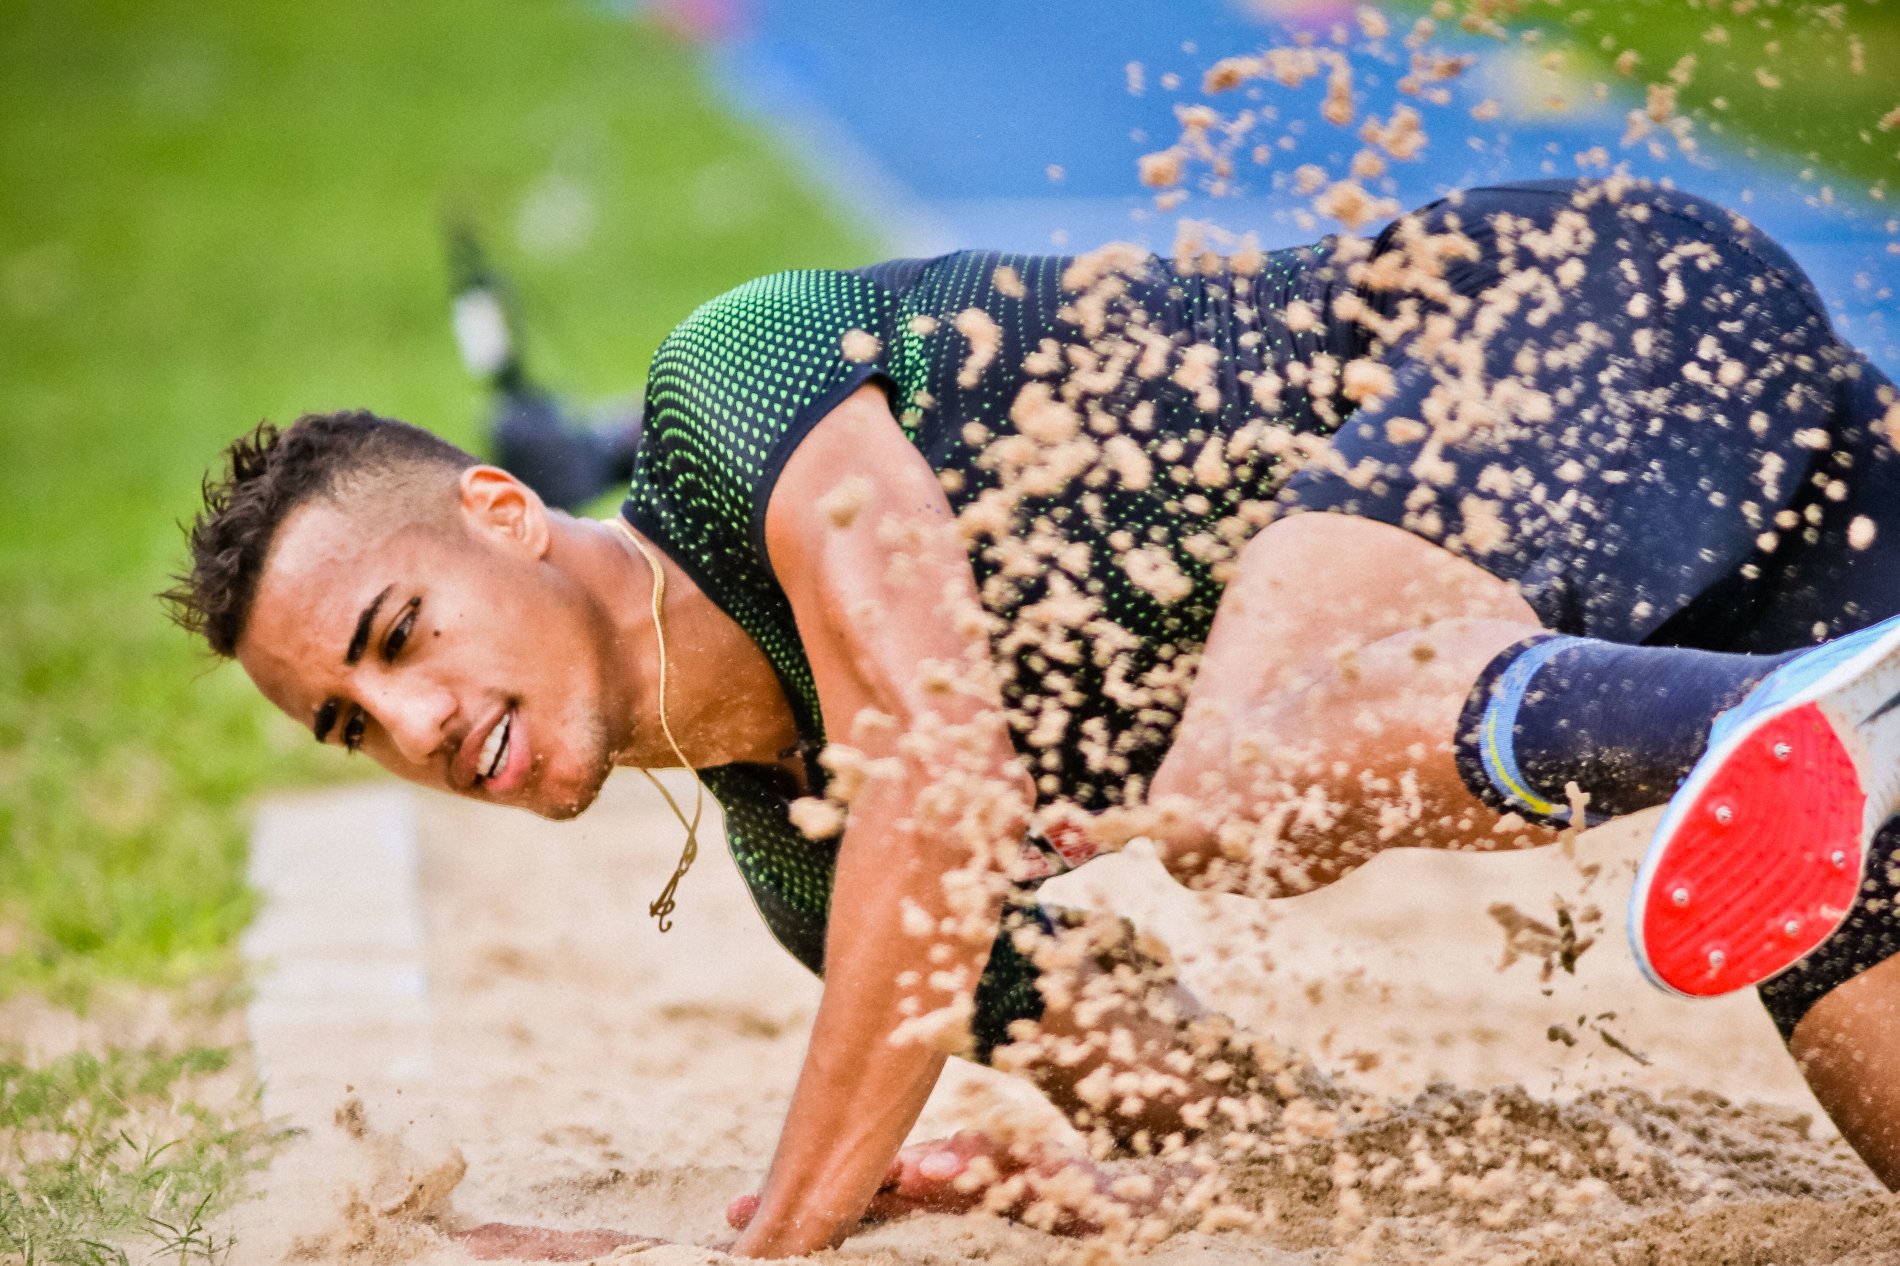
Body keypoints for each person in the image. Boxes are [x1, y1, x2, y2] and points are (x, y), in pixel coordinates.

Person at [166, 177, 1900, 1256]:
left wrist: (782, 1232)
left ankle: (1779, 721)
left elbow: (936, 765)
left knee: (1238, 776)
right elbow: (1252, 1131)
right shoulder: (808, 883)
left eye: (396, 637)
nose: (409, 720)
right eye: (350, 719)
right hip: (1714, 556)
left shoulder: (729, 387)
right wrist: (1056, 1178)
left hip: (1590, 319)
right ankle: (1802, 723)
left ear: (499, 512)